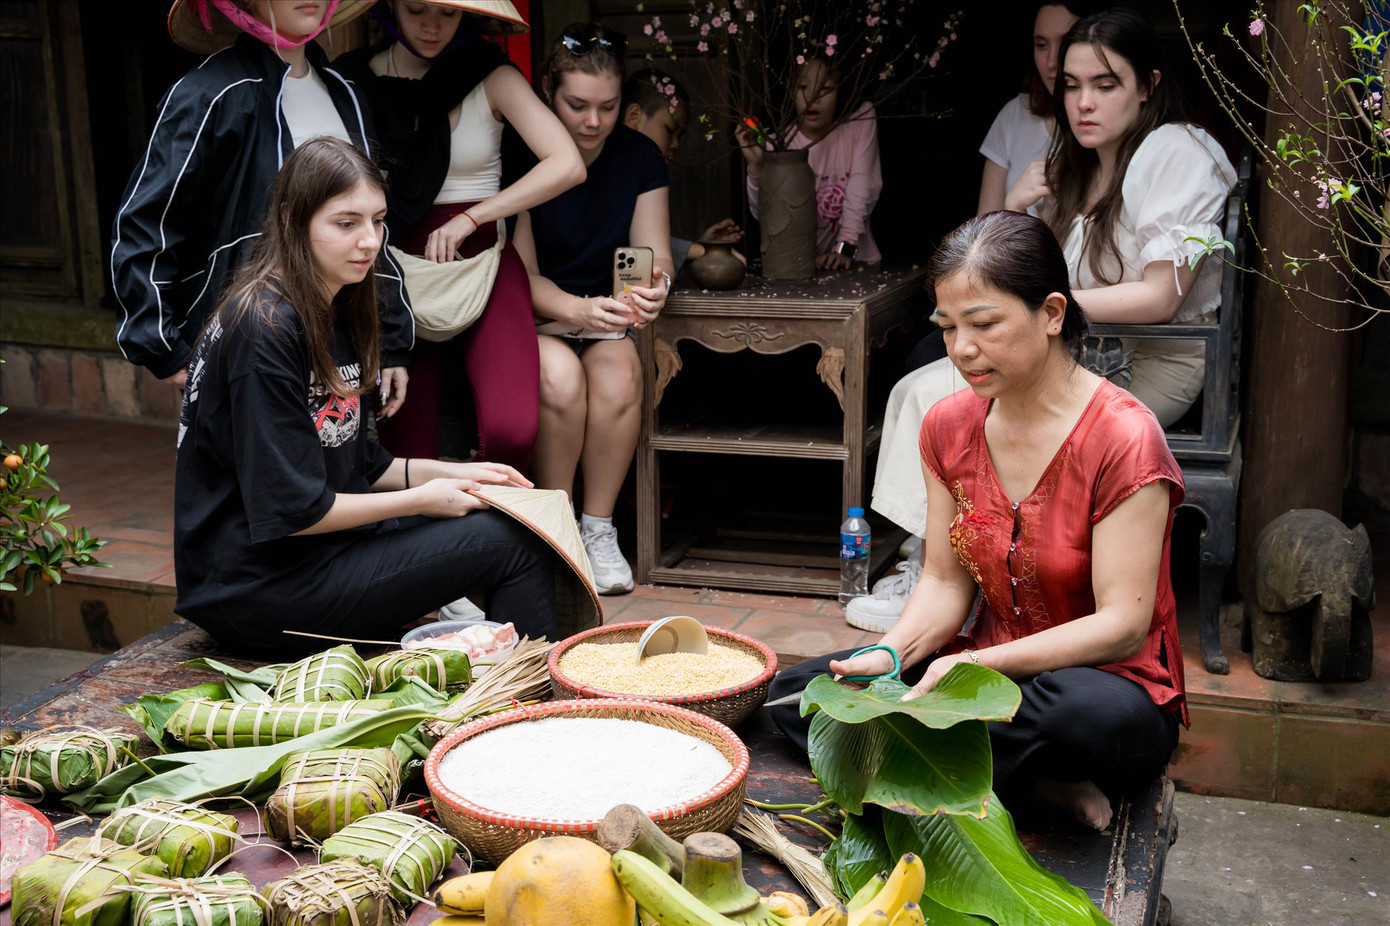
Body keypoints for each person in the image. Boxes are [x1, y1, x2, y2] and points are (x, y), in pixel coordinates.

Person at [770, 210, 1187, 832]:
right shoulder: (948, 424)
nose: (963, 348)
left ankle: (946, 771)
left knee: (1083, 717)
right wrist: (890, 655)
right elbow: (942, 584)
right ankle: (1031, 784)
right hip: (978, 683)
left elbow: (1124, 627)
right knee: (800, 697)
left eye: (985, 324)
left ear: (1051, 314)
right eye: (948, 327)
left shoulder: (1124, 436)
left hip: (1102, 688)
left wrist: (983, 667)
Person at [855, 7, 1235, 628]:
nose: (1084, 102)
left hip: (1149, 358)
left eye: (1106, 85)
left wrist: (1040, 314)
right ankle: (938, 565)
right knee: (920, 388)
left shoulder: (1175, 150)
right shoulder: (1081, 164)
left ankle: (938, 572)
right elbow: (1027, 274)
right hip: (1075, 349)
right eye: (1073, 85)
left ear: (1149, 85)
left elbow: (1162, 296)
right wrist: (1019, 208)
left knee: (935, 398)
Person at [174, 137, 559, 653]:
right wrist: (425, 499)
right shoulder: (263, 330)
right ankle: (533, 706)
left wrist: (457, 473)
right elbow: (297, 510)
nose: (369, 241)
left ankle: (510, 685)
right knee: (512, 545)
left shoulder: (331, 301)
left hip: (311, 558)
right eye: (346, 223)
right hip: (258, 590)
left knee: (504, 514)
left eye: (377, 220)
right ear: (292, 218)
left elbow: (367, 466)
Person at [112, 0, 412, 420]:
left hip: (343, 339)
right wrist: (162, 346)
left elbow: (370, 225)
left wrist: (391, 337)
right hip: (249, 343)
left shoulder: (346, 93)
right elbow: (147, 223)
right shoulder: (210, 93)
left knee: (343, 477)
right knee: (260, 481)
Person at [334, 0, 585, 469]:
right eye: (417, 10)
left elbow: (567, 164)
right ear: (391, 8)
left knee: (513, 429)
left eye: (448, 15)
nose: (432, 26)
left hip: (486, 261)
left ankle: (497, 535)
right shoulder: (354, 79)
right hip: (396, 275)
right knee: (404, 446)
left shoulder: (489, 73)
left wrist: (473, 216)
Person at [509, 24, 673, 594]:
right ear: (549, 94)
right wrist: (579, 310)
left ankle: (598, 528)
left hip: (605, 315)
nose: (593, 121)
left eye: (607, 107)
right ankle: (557, 528)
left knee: (620, 369)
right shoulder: (522, 155)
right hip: (543, 314)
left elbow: (649, 255)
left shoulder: (639, 157)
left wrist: (655, 289)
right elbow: (523, 279)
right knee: (558, 378)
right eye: (576, 105)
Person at [737, 56, 882, 270]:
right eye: (803, 86)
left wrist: (845, 247)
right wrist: (757, 168)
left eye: (825, 89)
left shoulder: (859, 121)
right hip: (799, 268)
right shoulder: (779, 144)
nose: (813, 98)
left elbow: (863, 185)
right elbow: (766, 216)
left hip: (856, 262)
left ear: (841, 90)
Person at [622, 68, 742, 272]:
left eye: (680, 135)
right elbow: (626, 243)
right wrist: (701, 251)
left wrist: (699, 246)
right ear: (634, 116)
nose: (675, 144)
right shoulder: (609, 167)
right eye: (669, 130)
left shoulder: (650, 172)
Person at [977, 2, 1083, 216]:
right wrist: (1014, 207)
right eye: (1041, 45)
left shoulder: (1107, 122)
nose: (1052, 61)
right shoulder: (1015, 114)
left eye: (1065, 43)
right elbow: (983, 233)